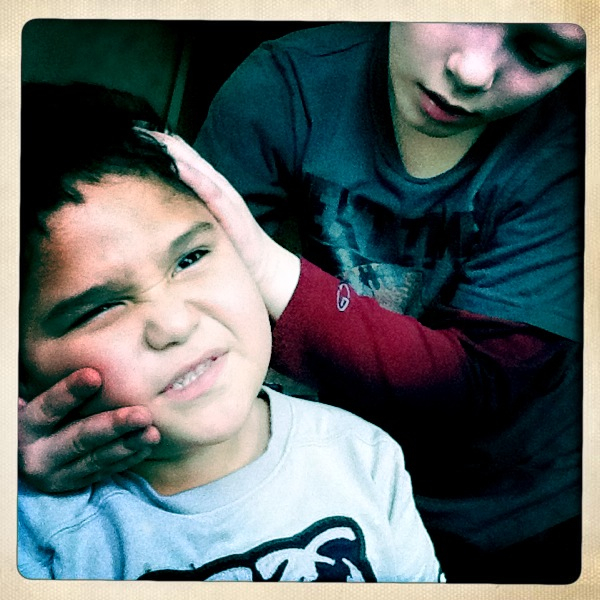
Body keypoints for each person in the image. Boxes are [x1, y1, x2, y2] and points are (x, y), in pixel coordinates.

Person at [18, 22, 585, 583]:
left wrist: (268, 265)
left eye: (540, 51)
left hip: (517, 501)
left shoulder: (365, 455)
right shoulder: (284, 85)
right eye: (100, 309)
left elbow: (482, 381)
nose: (472, 71)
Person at [18, 81, 443, 582]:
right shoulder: (32, 531)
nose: (175, 325)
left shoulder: (364, 455)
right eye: (101, 309)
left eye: (191, 258)